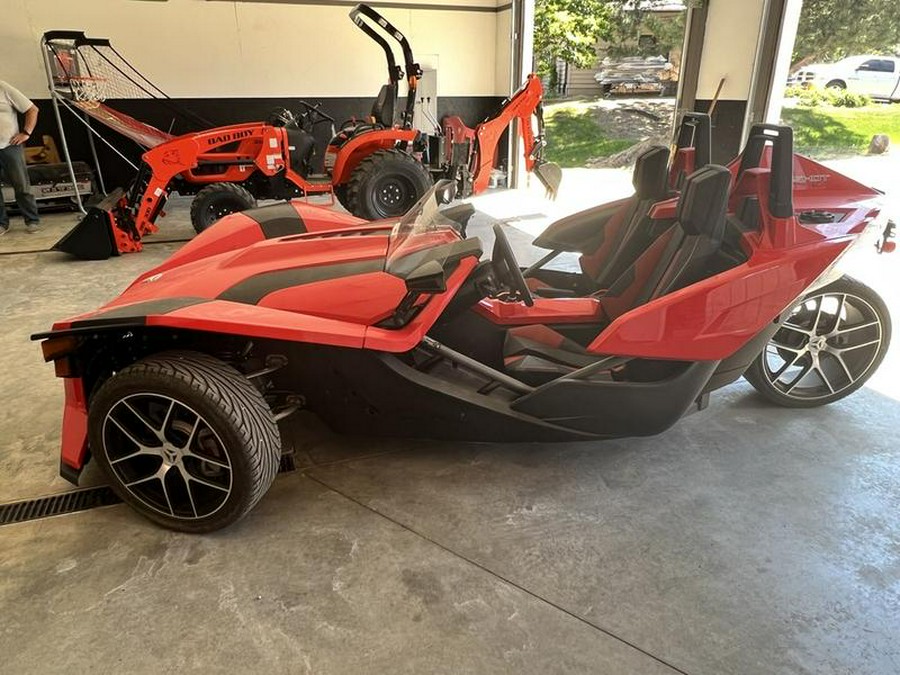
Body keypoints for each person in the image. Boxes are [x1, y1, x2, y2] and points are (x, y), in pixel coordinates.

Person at [0, 80, 40, 235]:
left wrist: (26, 133)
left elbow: (32, 109)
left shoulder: (3, 88)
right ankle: (2, 223)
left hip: (10, 145)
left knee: (21, 185)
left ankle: (32, 220)